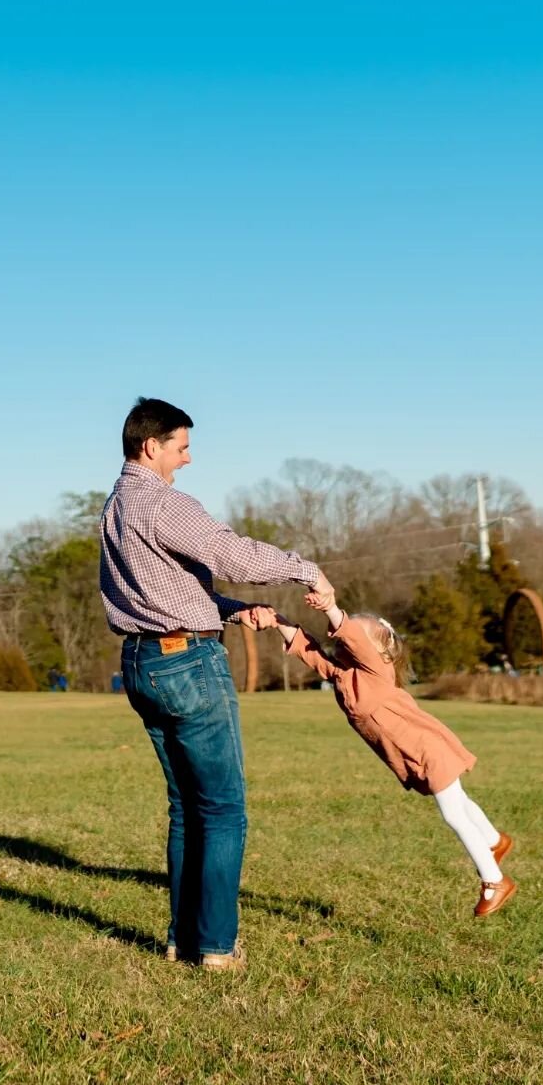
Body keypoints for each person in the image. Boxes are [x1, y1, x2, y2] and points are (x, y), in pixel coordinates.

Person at [100, 397, 335, 970]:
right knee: (223, 809)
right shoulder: (162, 503)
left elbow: (162, 589)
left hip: (142, 663)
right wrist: (304, 569)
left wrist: (231, 610)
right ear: (150, 445)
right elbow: (229, 554)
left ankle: (183, 939)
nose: (188, 457)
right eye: (181, 446)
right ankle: (215, 947)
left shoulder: (116, 506)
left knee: (187, 808)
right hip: (188, 664)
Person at [255, 604, 518, 918]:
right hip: (415, 754)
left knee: (452, 813)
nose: (341, 642)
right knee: (459, 801)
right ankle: (494, 840)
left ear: (378, 652)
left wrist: (330, 607)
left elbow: (352, 636)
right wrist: (276, 620)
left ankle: (494, 881)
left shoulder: (377, 671)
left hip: (428, 748)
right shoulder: (343, 675)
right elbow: (307, 648)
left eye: (351, 639)